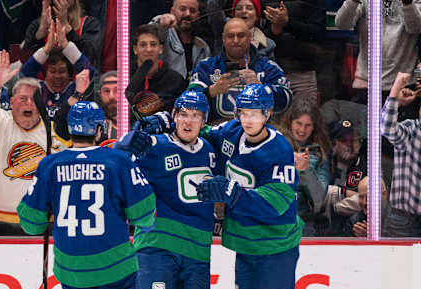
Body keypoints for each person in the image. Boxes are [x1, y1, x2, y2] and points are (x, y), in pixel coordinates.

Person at [17, 101, 156, 288]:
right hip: (116, 268)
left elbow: (30, 223)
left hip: (71, 271)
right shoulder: (118, 161)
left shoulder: (49, 165)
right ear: (99, 129)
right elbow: (145, 216)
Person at [193, 84, 303, 288]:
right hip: (246, 243)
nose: (248, 120)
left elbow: (276, 203)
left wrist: (232, 193)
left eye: (254, 114)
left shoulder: (278, 150)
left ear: (267, 114)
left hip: (275, 245)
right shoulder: (232, 131)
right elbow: (202, 133)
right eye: (244, 113)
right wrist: (169, 127)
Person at [116, 90, 220, 289]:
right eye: (183, 114)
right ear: (174, 117)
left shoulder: (210, 151)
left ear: (204, 121)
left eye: (195, 116)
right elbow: (117, 166)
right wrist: (124, 144)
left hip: (198, 252)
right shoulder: (154, 146)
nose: (188, 121)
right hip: (157, 246)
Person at [0, 50, 67, 235]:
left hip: (46, 222)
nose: (29, 104)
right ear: (12, 101)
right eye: (23, 99)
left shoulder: (55, 131)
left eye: (34, 99)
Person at [189, 18, 291, 124]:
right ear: (223, 38)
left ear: (250, 37)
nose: (236, 40)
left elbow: (286, 99)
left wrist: (262, 88)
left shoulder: (268, 68)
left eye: (241, 35)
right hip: (216, 132)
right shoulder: (206, 67)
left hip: (257, 132)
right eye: (230, 36)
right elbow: (188, 100)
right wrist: (211, 91)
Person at [335, 0, 421, 104]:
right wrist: (353, 1)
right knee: (364, 119)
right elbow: (342, 24)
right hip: (366, 82)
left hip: (402, 84)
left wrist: (407, 4)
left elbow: (416, 29)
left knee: (400, 120)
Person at [10, 19, 95, 119]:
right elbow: (25, 73)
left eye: (62, 71)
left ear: (69, 74)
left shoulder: (76, 89)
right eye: (52, 71)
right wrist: (46, 49)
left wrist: (66, 46)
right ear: (45, 74)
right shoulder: (38, 89)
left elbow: (87, 72)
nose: (57, 76)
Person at [280, 100, 331, 236]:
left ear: (314, 127)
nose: (302, 130)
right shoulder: (273, 143)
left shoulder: (319, 154)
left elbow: (319, 199)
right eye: (299, 123)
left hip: (301, 223)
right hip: (271, 219)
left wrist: (306, 171)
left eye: (308, 125)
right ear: (290, 122)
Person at [260, 0, 326, 105]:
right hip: (271, 73)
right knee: (273, 118)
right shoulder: (266, 3)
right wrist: (275, 30)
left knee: (304, 117)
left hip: (303, 72)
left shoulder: (313, 4)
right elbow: (260, 38)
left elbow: (318, 33)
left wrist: (287, 23)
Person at [381, 72, 421, 237]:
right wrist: (395, 94)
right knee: (396, 263)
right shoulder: (411, 129)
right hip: (403, 220)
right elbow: (386, 128)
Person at [126, 24, 187, 119]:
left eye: (153, 44)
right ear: (135, 49)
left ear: (161, 49)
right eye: (143, 45)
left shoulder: (175, 80)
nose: (148, 49)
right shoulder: (124, 77)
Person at [22, 0, 103, 71]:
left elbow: (91, 59)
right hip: (44, 83)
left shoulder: (90, 24)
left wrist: (66, 26)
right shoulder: (37, 25)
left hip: (80, 81)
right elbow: (25, 62)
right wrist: (41, 32)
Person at [150, 0, 211, 79]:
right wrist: (160, 21)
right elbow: (147, 37)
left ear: (198, 15)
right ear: (172, 11)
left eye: (192, 11)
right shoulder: (163, 35)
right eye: (182, 9)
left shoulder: (203, 47)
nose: (187, 14)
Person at [207, 0, 276, 59]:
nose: (244, 11)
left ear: (257, 16)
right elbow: (213, 5)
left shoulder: (268, 44)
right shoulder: (223, 28)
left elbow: (271, 72)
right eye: (239, 8)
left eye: (249, 8)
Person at [95, 70, 117, 140]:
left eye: (117, 90)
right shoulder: (93, 125)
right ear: (100, 94)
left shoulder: (140, 123)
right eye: (106, 91)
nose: (111, 97)